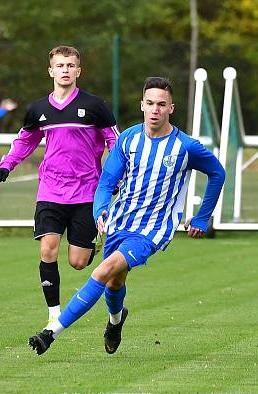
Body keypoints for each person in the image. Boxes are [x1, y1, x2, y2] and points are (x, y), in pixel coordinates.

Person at [27, 76, 226, 357]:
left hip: (153, 230)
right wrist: (100, 211)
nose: (155, 109)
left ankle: (51, 333)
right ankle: (116, 321)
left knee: (102, 270)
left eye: (161, 104)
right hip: (120, 222)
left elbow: (218, 173)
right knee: (114, 282)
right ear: (141, 105)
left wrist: (202, 217)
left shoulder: (186, 146)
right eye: (150, 103)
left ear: (172, 108)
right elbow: (107, 181)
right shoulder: (129, 139)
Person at [0, 45, 119, 328]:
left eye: (70, 65)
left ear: (78, 71)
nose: (65, 70)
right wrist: (6, 165)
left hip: (87, 191)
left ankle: (91, 245)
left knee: (78, 261)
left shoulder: (96, 106)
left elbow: (115, 142)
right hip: (51, 189)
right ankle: (53, 314)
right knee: (48, 248)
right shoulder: (39, 109)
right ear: (51, 71)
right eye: (60, 66)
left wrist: (116, 175)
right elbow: (25, 141)